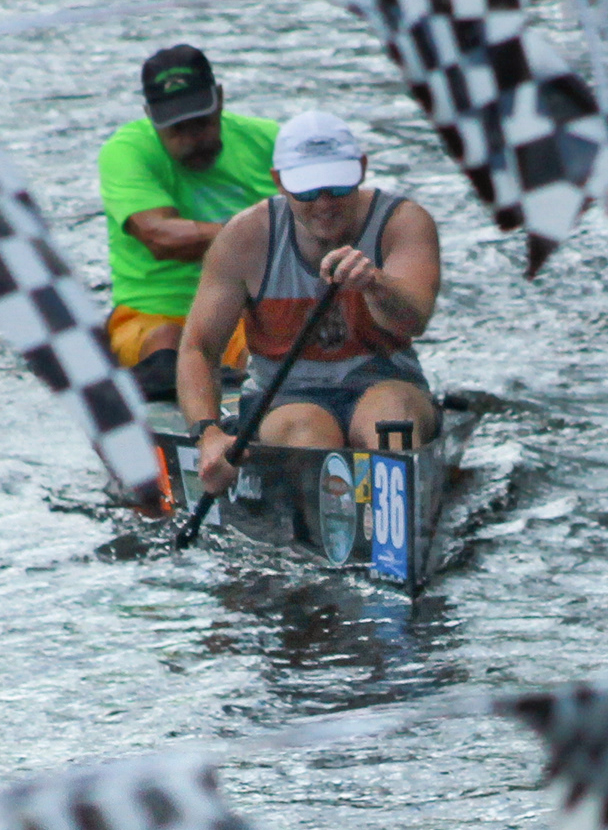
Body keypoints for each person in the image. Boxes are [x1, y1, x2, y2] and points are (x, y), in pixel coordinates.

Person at [173, 111, 442, 497]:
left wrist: (377, 285)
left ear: (362, 170)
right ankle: (328, 513)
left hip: (385, 381)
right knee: (307, 433)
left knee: (393, 416)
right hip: (288, 398)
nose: (325, 203)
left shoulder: (404, 222)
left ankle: (390, 523)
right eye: (308, 191)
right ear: (280, 181)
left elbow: (414, 319)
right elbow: (199, 347)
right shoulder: (246, 238)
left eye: (337, 187)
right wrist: (208, 434)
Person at [98, 46, 276, 402]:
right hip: (153, 314)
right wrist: (268, 232)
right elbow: (161, 238)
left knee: (271, 346)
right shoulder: (126, 151)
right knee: (166, 344)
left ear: (220, 100)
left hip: (247, 310)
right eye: (177, 128)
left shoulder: (272, 141)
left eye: (201, 121)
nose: (192, 137)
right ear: (150, 116)